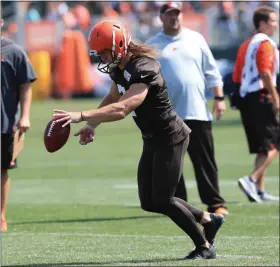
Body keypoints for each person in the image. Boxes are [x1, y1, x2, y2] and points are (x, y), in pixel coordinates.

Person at [53, 20, 225, 260]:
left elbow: (123, 107)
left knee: (164, 199)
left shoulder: (144, 67)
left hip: (171, 137)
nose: (102, 58)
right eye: (99, 53)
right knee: (149, 202)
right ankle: (209, 219)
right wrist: (92, 124)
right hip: (152, 139)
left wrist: (81, 115)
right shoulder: (118, 67)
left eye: (105, 52)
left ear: (120, 45)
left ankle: (204, 246)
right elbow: (113, 96)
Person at [146, 2, 229, 215]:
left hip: (197, 111)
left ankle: (215, 203)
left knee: (205, 162)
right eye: (170, 14)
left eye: (177, 13)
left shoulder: (195, 38)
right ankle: (179, 205)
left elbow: (212, 71)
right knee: (173, 165)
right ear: (161, 17)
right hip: (168, 116)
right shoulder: (152, 46)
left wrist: (219, 97)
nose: (174, 17)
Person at [232, 6, 279, 202]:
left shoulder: (246, 44)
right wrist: (276, 98)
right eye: (273, 21)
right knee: (274, 144)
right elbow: (266, 73)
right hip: (261, 97)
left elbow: (236, 74)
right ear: (262, 23)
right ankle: (251, 179)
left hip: (247, 98)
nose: (276, 25)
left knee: (263, 146)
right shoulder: (266, 43)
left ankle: (259, 190)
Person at [1, 16, 37, 232]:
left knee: (2, 171)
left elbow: (25, 84)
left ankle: (1, 216)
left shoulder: (13, 51)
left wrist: (25, 116)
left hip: (4, 124)